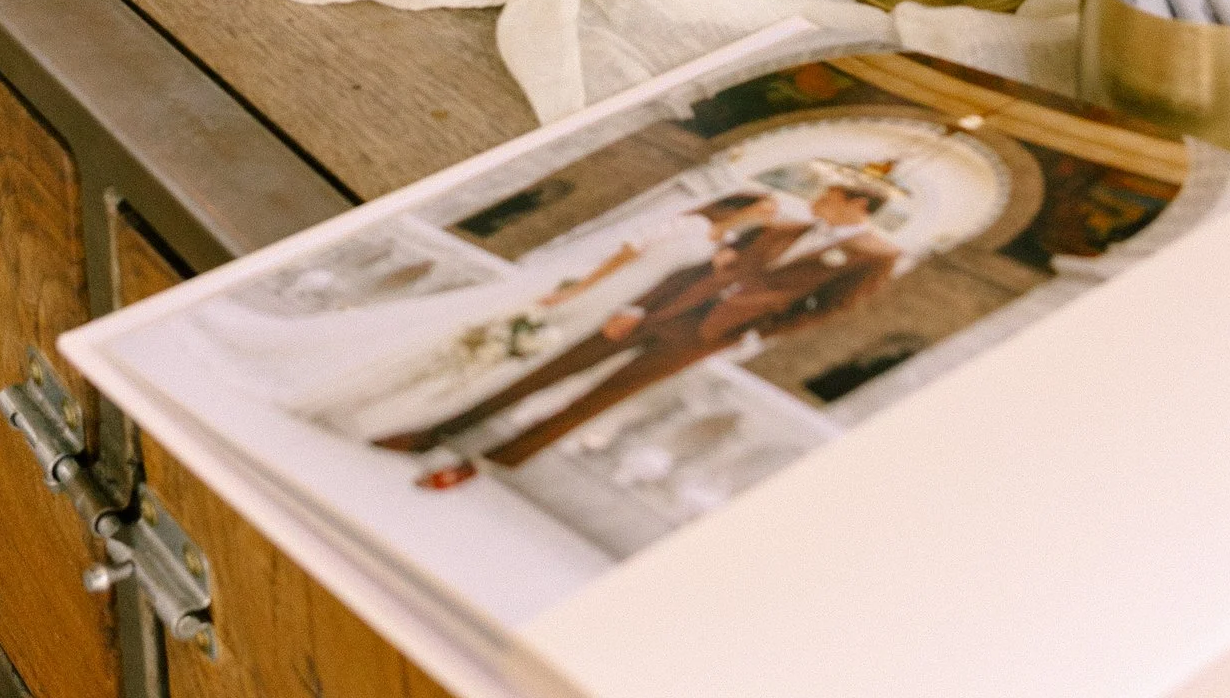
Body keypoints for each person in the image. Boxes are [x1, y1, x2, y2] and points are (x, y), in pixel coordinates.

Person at [369, 176, 904, 480]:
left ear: (855, 204)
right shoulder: (784, 227)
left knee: (597, 400)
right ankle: (431, 434)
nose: (815, 198)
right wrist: (638, 306)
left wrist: (755, 330)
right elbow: (694, 267)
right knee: (547, 371)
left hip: (708, 335)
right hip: (664, 310)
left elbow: (832, 308)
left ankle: (493, 461)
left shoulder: (875, 255)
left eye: (826, 194)